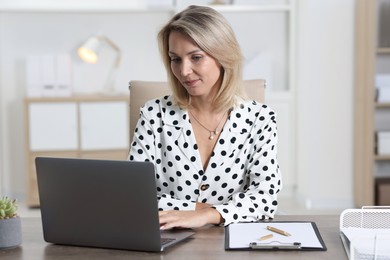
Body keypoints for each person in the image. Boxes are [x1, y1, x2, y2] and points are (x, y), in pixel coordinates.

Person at [128, 5, 282, 229]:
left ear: (223, 56)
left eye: (196, 57)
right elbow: (133, 196)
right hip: (167, 240)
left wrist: (208, 216)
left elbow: (265, 199)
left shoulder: (261, 119)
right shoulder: (154, 114)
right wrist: (200, 209)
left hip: (232, 243)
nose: (184, 71)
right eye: (176, 59)